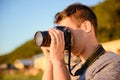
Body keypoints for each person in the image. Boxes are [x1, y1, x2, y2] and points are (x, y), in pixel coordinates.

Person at [41, 3, 120, 80]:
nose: (63, 38)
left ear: (86, 26)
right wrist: (50, 60)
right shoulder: (74, 70)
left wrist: (58, 61)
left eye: (66, 32)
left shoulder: (113, 64)